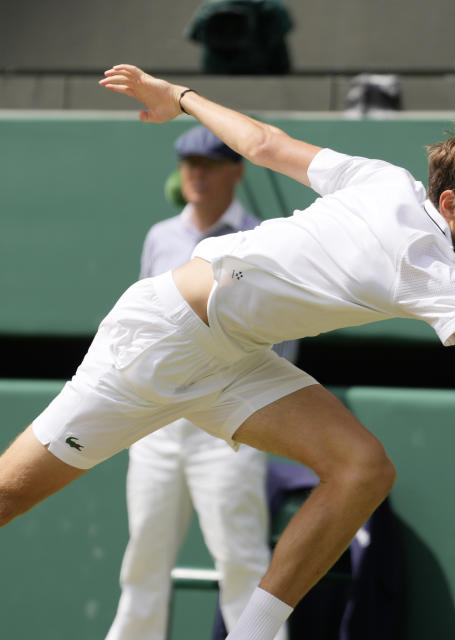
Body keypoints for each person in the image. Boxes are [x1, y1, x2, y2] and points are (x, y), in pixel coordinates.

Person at [0, 64, 455, 640]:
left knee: (362, 467)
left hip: (235, 357)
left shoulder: (384, 179)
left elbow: (263, 144)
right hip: (159, 340)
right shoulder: (424, 262)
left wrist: (181, 95)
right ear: (451, 206)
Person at [106, 125, 295, 640]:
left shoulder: (260, 241)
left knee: (241, 561)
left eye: (209, 164)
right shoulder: (159, 237)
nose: (196, 174)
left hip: (229, 429)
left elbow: (282, 337)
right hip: (157, 424)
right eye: (188, 163)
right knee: (142, 560)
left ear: (236, 170)